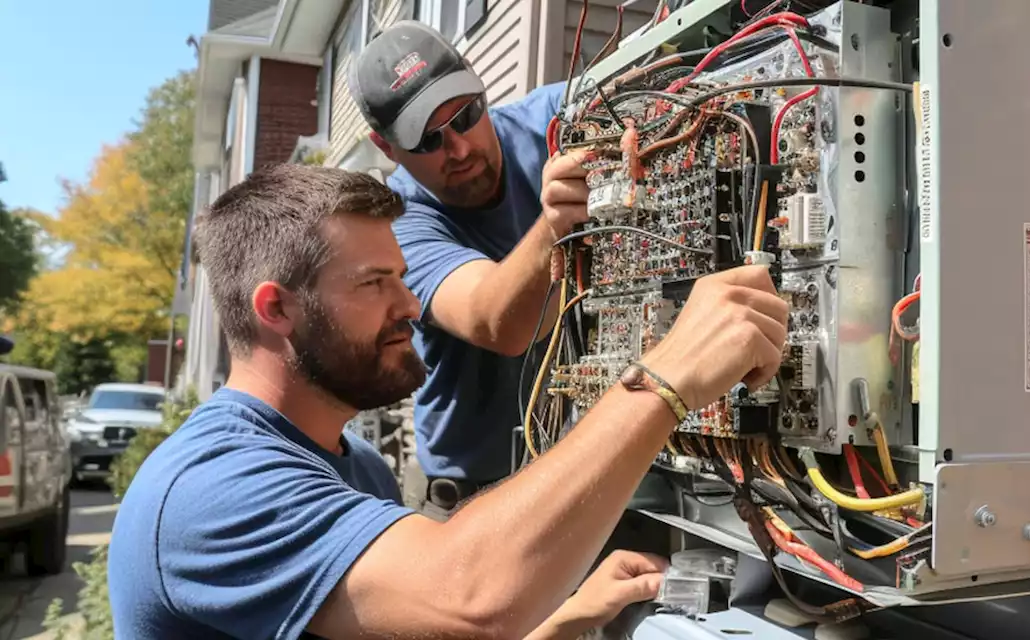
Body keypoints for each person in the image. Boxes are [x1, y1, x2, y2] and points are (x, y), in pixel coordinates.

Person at [106, 164, 790, 639]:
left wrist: (567, 615)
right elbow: (469, 600)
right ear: (276, 309)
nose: (409, 305)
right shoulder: (209, 487)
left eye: (403, 278)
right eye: (376, 283)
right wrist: (666, 378)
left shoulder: (357, 466)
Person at [349, 21, 586, 515]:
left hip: (580, 470)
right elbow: (497, 320)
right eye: (427, 140)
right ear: (387, 146)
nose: (458, 148)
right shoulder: (400, 223)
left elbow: (648, 88)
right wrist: (554, 224)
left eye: (466, 115)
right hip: (472, 494)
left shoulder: (551, 119)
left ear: (479, 84)